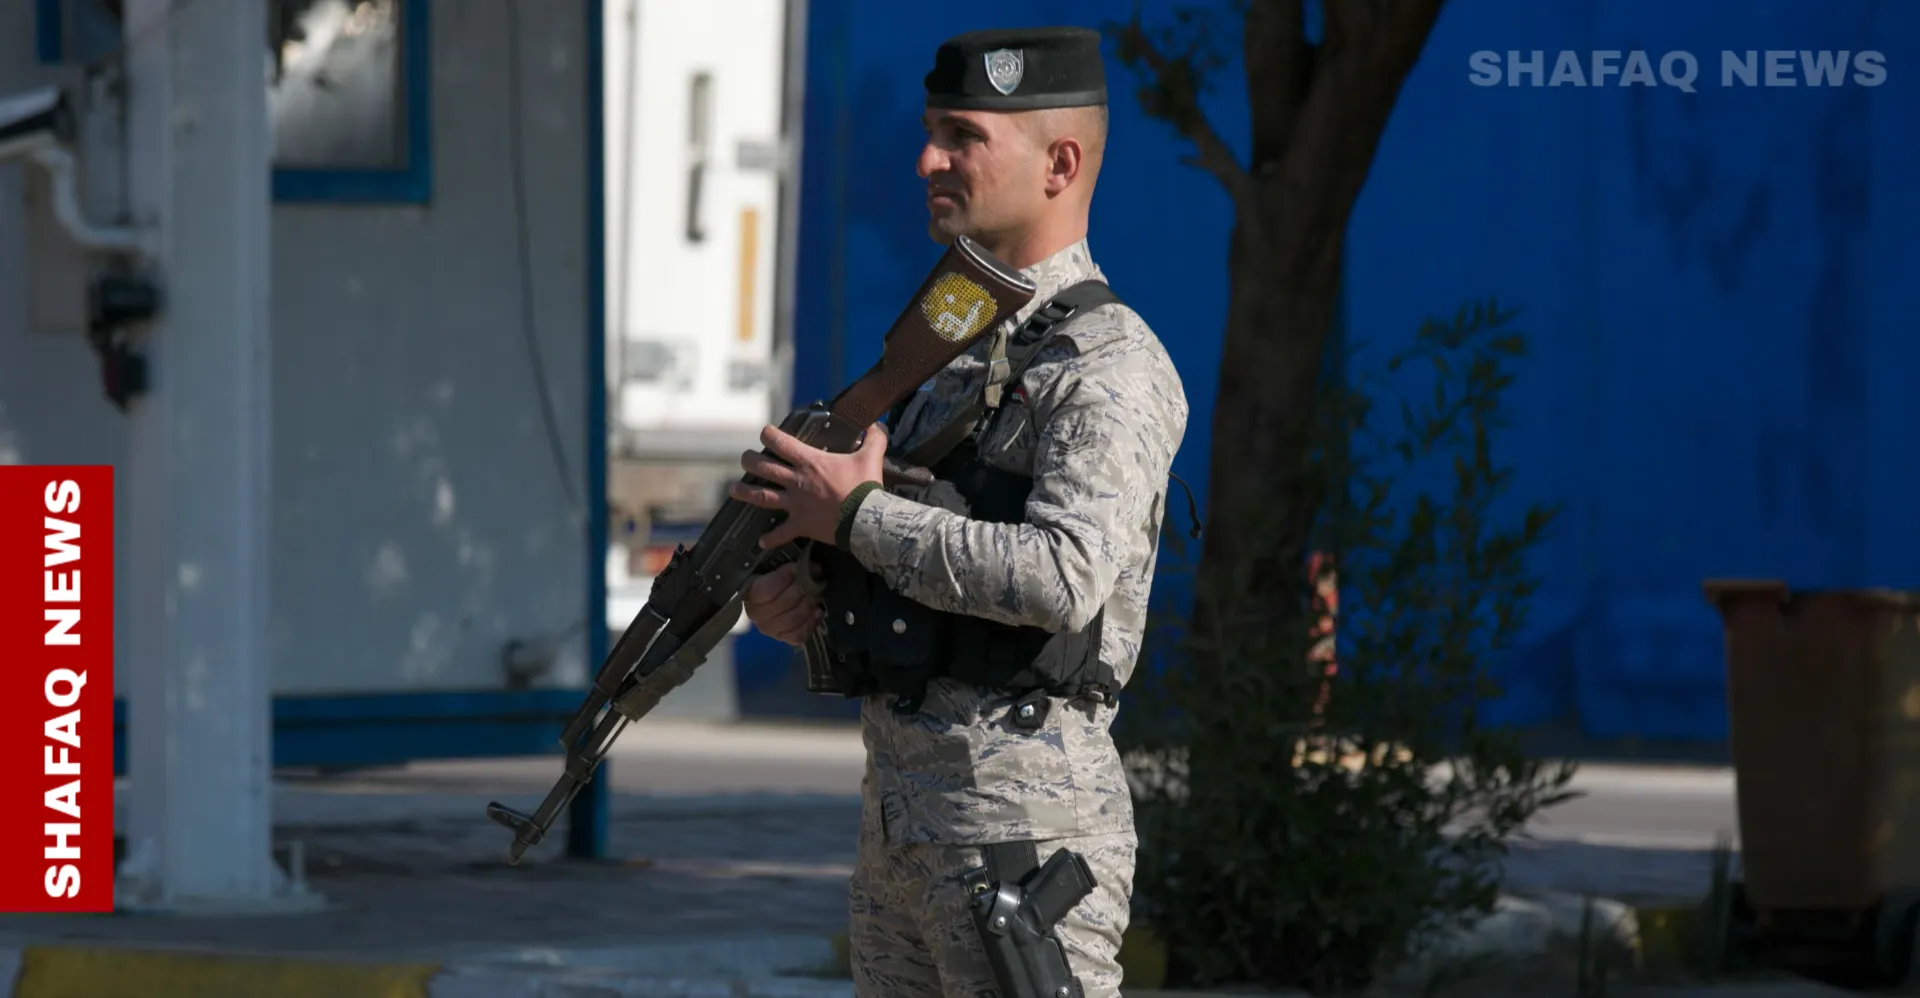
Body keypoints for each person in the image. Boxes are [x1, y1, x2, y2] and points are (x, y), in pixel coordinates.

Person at [727, 24, 1188, 998]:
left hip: (1022, 834)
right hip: (904, 827)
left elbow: (1063, 577)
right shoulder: (953, 353)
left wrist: (853, 518)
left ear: (1061, 161)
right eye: (932, 130)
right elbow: (911, 563)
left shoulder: (1108, 366)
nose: (928, 158)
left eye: (962, 135)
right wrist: (798, 585)